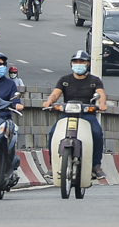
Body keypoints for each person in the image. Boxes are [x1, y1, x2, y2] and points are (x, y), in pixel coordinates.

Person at [44, 50, 108, 181]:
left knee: (97, 132)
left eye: (82, 62)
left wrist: (101, 104)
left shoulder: (94, 80)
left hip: (87, 115)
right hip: (68, 115)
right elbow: (56, 93)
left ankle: (96, 165)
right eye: (76, 62)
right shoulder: (65, 80)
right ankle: (52, 166)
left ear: (88, 64)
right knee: (53, 133)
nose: (78, 64)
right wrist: (49, 102)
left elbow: (100, 93)